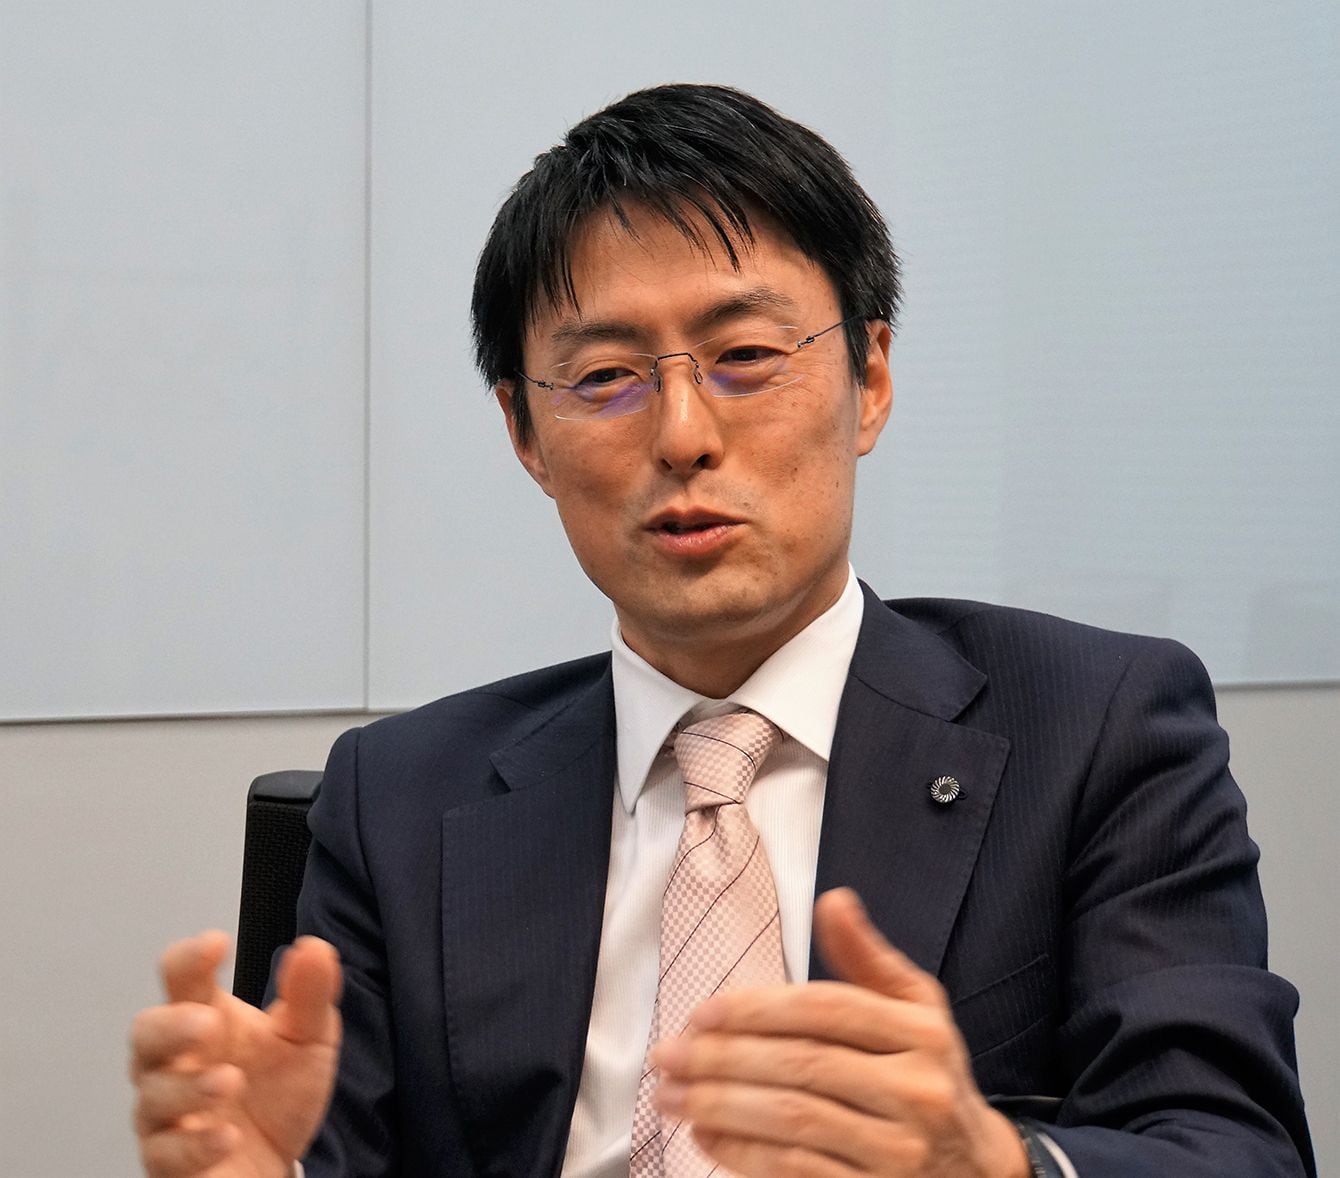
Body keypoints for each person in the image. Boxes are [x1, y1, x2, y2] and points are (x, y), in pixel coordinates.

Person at [129, 84, 1315, 1178]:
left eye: (745, 356)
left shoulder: (1094, 728)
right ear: (524, 434)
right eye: (605, 377)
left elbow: (1232, 1146)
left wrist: (987, 1162)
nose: (683, 434)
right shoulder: (398, 799)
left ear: (869, 376)